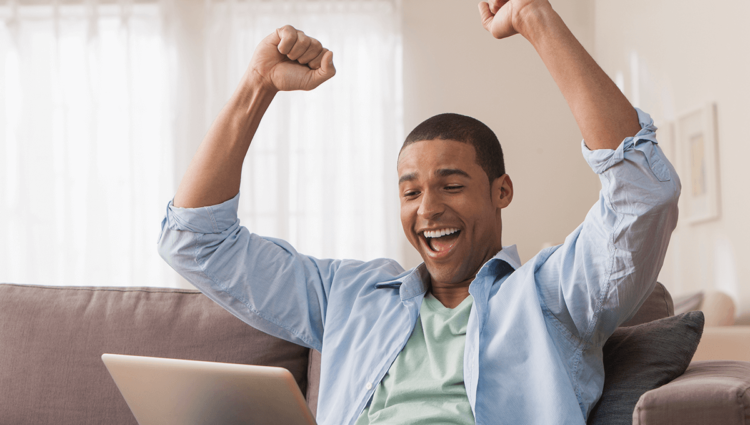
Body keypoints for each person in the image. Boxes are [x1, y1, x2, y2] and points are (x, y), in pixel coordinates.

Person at [157, 0, 680, 423]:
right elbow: (196, 242)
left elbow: (642, 194)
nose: (428, 209)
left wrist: (533, 15)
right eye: (410, 193)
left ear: (502, 192)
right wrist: (257, 84)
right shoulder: (348, 297)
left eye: (452, 185)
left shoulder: (553, 294)